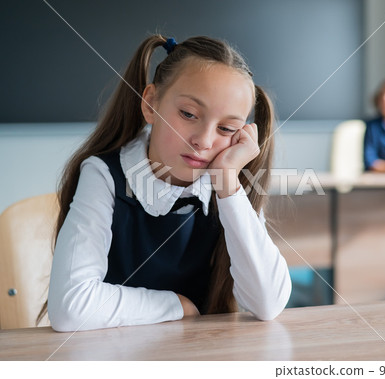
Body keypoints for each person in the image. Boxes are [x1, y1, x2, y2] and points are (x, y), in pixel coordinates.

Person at [41, 35, 292, 332]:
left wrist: (228, 185)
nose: (204, 140)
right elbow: (71, 307)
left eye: (226, 128)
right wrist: (177, 306)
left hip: (202, 354)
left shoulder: (229, 183)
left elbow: (268, 304)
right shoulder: (104, 175)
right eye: (188, 114)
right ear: (150, 104)